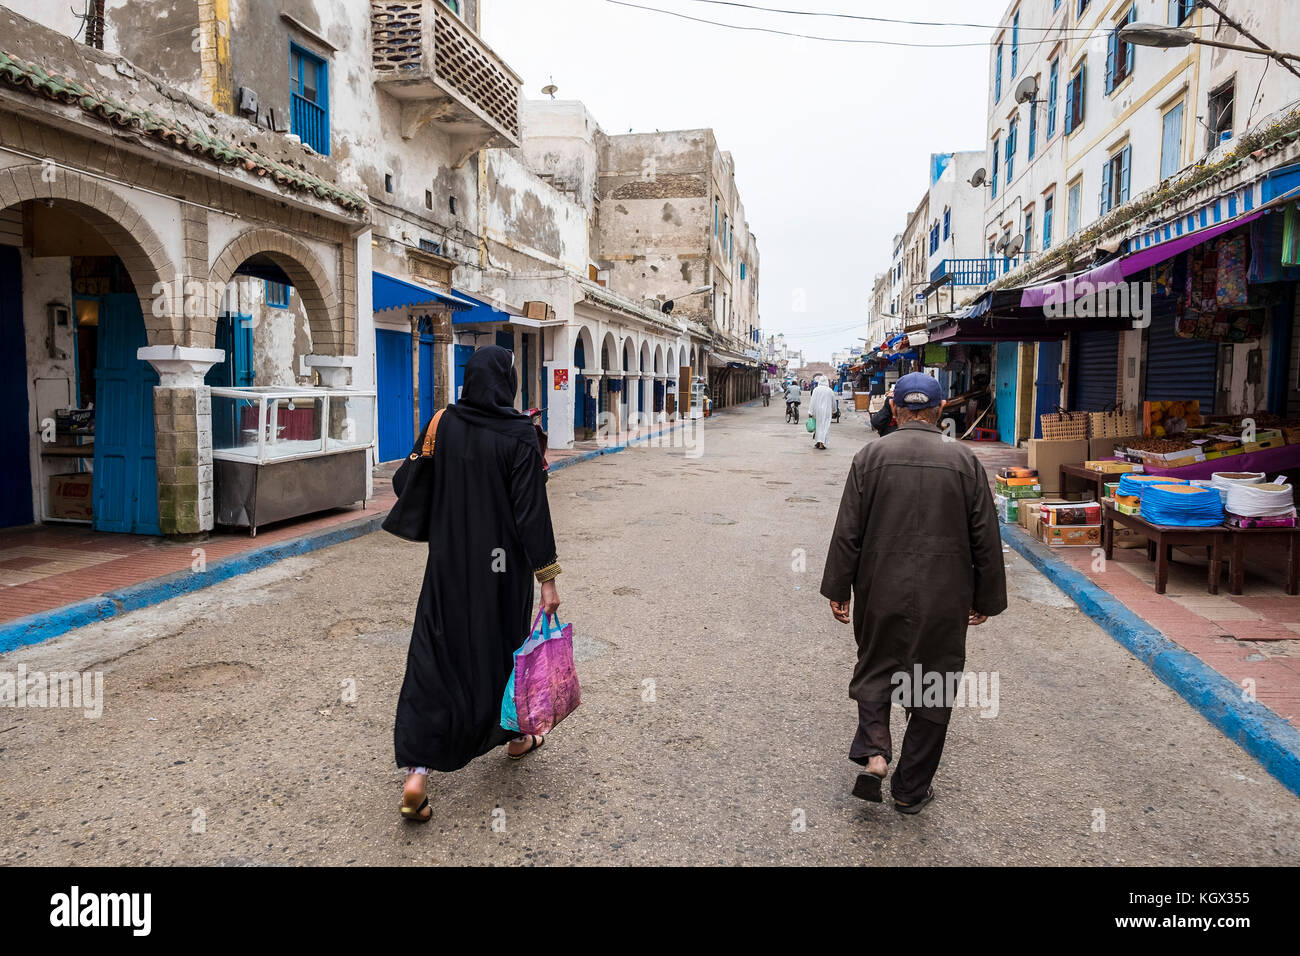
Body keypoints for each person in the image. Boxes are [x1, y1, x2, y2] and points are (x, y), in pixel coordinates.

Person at [820, 372, 1007, 815]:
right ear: (940, 410)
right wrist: (985, 597)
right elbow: (985, 535)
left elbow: (849, 531)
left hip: (879, 589)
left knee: (877, 666)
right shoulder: (963, 461)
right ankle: (910, 789)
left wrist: (838, 587)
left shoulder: (871, 456)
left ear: (897, 411)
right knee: (933, 682)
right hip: (945, 596)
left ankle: (876, 753)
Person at [394, 346, 563, 823]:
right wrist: (547, 577)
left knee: (435, 660)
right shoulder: (520, 435)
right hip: (501, 574)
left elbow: (407, 482)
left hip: (448, 568)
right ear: (506, 383)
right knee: (503, 654)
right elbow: (531, 514)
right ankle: (515, 737)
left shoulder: (443, 423)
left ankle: (417, 774)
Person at [810, 375, 835, 450]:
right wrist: (834, 410)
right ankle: (821, 444)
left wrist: (810, 411)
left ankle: (818, 442)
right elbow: (833, 402)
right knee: (825, 427)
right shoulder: (829, 390)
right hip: (827, 411)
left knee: (818, 426)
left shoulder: (816, 390)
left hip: (817, 411)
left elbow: (812, 401)